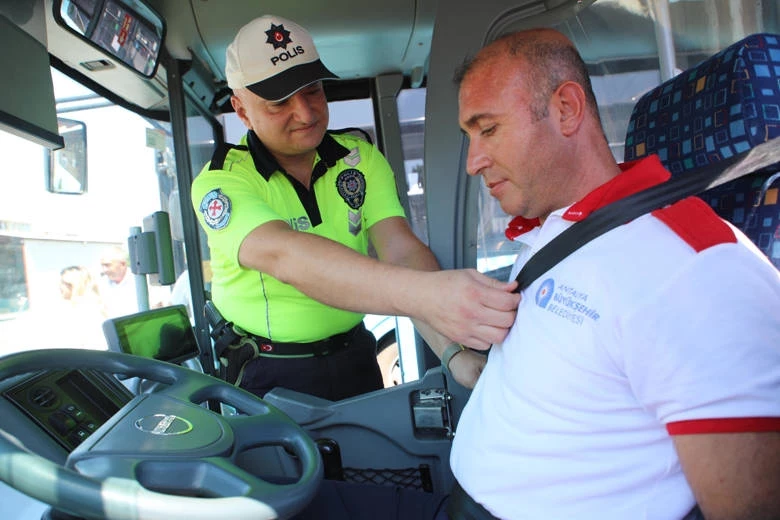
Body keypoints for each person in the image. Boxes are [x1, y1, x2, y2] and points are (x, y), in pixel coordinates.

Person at [445, 28, 780, 519]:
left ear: (565, 109)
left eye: (488, 129)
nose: (473, 161)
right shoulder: (555, 229)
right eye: (468, 136)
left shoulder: (695, 270)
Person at [191, 15, 519, 401]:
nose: (307, 113)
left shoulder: (359, 158)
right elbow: (287, 257)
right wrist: (432, 295)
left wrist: (452, 352)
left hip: (356, 357)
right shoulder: (222, 182)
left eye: (312, 90)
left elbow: (400, 251)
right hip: (268, 373)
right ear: (242, 110)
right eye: (280, 101)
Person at [98, 245, 138, 318]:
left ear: (123, 264)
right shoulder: (101, 284)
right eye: (102, 265)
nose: (104, 270)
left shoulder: (140, 282)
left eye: (107, 265)